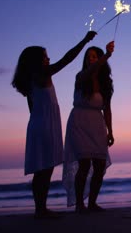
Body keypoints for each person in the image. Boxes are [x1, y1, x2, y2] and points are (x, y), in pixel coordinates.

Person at [11, 31, 97, 218]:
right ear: (37, 60)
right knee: (45, 168)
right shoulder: (40, 74)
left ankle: (40, 208)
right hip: (44, 126)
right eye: (45, 56)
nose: (48, 59)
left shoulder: (34, 78)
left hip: (38, 124)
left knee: (43, 168)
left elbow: (32, 108)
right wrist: (84, 40)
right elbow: (66, 60)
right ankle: (40, 209)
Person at [62, 41, 115, 213]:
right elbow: (90, 72)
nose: (91, 59)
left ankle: (92, 203)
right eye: (88, 57)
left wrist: (110, 131)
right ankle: (79, 204)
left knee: (99, 165)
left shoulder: (106, 83)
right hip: (80, 121)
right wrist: (106, 55)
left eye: (94, 56)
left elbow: (107, 109)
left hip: (97, 124)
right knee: (84, 164)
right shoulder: (81, 77)